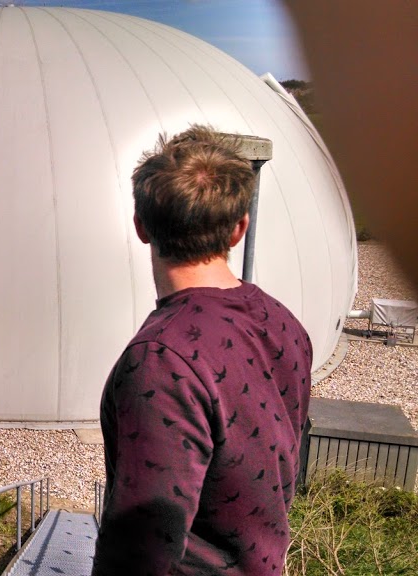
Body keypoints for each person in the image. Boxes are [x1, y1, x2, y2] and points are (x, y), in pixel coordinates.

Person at [92, 125, 312, 575]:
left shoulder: (162, 359)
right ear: (238, 229)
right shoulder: (284, 323)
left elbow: (142, 545)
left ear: (141, 227)